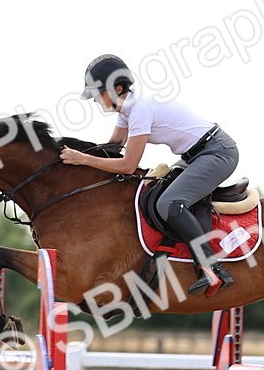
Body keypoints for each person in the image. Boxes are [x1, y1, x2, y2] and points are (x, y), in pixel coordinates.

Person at [59, 54, 239, 295]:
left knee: (170, 203)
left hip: (217, 153)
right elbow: (112, 149)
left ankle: (212, 267)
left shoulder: (139, 110)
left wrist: (81, 159)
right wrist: (74, 157)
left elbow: (127, 166)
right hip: (197, 155)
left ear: (117, 89)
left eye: (97, 92)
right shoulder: (126, 110)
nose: (93, 99)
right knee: (155, 192)